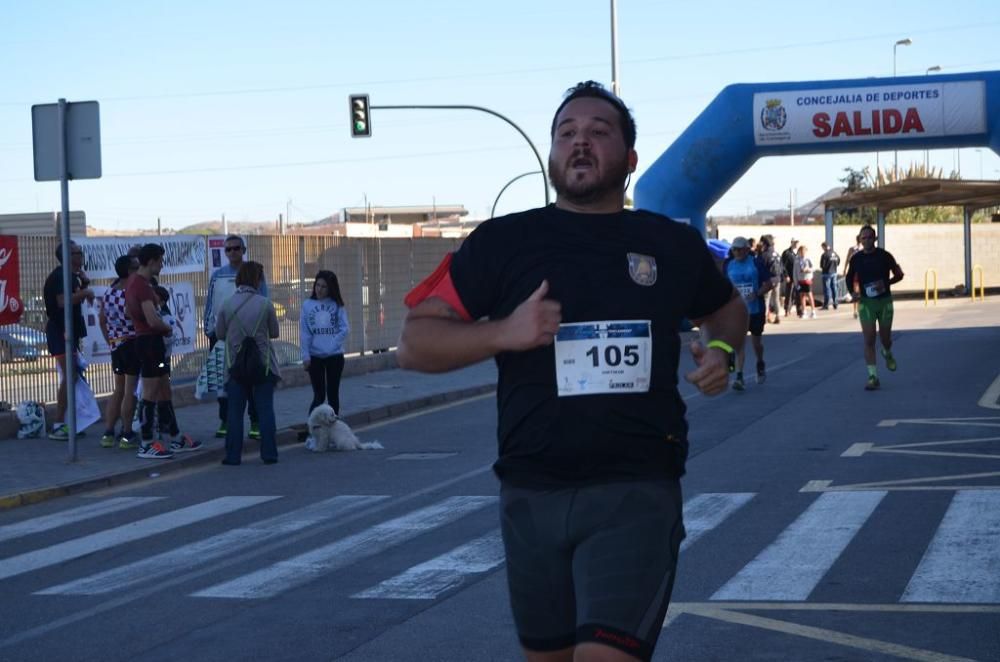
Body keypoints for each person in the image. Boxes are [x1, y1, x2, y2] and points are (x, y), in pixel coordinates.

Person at [397, 81, 747, 662]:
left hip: (634, 491)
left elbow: (727, 308)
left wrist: (724, 354)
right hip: (530, 496)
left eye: (598, 132)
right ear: (552, 152)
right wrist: (504, 332)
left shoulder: (669, 243)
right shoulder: (502, 242)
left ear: (631, 160)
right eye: (567, 134)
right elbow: (414, 343)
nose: (580, 143)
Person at [215, 261, 280, 465]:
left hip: (236, 366)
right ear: (257, 280)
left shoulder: (226, 305)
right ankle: (269, 454)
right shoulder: (265, 304)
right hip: (263, 364)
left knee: (234, 412)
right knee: (265, 410)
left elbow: (220, 334)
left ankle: (233, 456)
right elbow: (275, 333)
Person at [204, 235, 268, 440]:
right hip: (222, 336)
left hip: (248, 336)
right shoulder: (218, 276)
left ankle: (255, 422)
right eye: (228, 249)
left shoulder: (255, 273)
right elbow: (210, 304)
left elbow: (263, 301)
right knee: (223, 381)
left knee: (252, 379)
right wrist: (210, 331)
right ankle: (225, 420)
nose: (232, 252)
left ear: (244, 249)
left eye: (236, 248)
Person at [124, 243, 175, 459]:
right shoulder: (142, 286)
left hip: (147, 340)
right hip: (149, 341)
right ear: (152, 261)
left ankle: (173, 434)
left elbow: (128, 312)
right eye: (161, 261)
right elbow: (153, 321)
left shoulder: (135, 282)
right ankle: (146, 442)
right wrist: (168, 327)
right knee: (150, 392)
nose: (162, 265)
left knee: (164, 388)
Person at [43, 241, 94, 440]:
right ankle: (58, 424)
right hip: (59, 331)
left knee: (73, 376)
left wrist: (85, 284)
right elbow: (62, 301)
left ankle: (71, 421)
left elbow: (74, 297)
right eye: (77, 252)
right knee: (70, 375)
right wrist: (85, 292)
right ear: (68, 256)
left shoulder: (72, 277)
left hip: (69, 331)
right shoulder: (59, 276)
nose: (81, 255)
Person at [844, 225, 904, 391]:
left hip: (884, 302)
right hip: (866, 303)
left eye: (870, 237)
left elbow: (899, 274)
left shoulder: (884, 256)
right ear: (860, 240)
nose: (867, 240)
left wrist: (886, 284)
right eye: (864, 238)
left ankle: (887, 351)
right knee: (869, 339)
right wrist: (853, 293)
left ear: (875, 238)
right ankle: (873, 376)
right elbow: (849, 278)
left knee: (885, 339)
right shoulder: (856, 259)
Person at [153, 284, 202, 453]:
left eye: (155, 296)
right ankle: (165, 434)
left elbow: (168, 339)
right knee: (154, 397)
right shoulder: (153, 315)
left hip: (161, 361)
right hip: (153, 361)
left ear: (161, 300)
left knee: (162, 396)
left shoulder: (165, 317)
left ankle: (170, 433)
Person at [98, 254, 140, 448]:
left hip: (117, 345)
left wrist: (111, 341)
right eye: (135, 266)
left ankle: (108, 432)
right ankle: (127, 433)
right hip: (132, 344)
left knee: (118, 390)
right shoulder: (129, 293)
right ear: (129, 271)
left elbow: (102, 319)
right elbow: (133, 316)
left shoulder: (108, 292)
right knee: (129, 391)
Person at [724, 237, 773, 390]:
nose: (737, 252)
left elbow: (769, 283)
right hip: (736, 311)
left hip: (755, 309)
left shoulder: (756, 263)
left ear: (747, 249)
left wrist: (757, 293)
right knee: (739, 344)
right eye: (734, 249)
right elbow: (723, 286)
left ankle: (760, 362)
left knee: (756, 343)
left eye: (739, 249)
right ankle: (739, 377)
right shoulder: (728, 265)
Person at [300, 270, 350, 414]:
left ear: (331, 289)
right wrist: (305, 356)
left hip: (334, 356)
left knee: (333, 395)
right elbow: (305, 332)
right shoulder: (307, 305)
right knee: (319, 396)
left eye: (324, 287)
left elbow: (344, 329)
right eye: (318, 285)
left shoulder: (337, 305)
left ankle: (333, 428)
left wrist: (331, 345)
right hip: (315, 357)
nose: (319, 289)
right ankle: (313, 429)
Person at [757, 235, 782, 324]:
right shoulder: (777, 254)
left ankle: (764, 318)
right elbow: (781, 267)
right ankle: (778, 316)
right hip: (777, 279)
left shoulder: (764, 255)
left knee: (766, 299)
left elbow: (760, 268)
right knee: (776, 299)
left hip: (768, 280)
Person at [794, 245, 817, 319]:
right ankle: (804, 311)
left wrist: (808, 270)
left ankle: (813, 311)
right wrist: (796, 281)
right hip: (800, 280)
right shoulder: (797, 260)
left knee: (809, 295)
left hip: (807, 279)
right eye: (801, 251)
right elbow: (794, 271)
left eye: (804, 251)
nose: (802, 253)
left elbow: (813, 268)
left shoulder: (808, 259)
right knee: (802, 296)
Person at [844, 234, 864, 319]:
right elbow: (848, 259)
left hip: (863, 272)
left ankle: (861, 310)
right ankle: (855, 310)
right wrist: (845, 269)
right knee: (856, 292)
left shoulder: (865, 249)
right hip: (855, 272)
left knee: (862, 292)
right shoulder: (852, 249)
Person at [780, 238, 801, 318]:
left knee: (799, 294)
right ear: (791, 242)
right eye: (795, 242)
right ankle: (787, 310)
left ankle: (799, 310)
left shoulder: (799, 252)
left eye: (797, 243)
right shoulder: (786, 253)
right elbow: (783, 266)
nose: (796, 244)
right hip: (790, 277)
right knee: (789, 294)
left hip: (798, 278)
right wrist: (786, 275)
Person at [819, 242, 841, 310]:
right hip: (834, 272)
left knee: (827, 289)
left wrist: (825, 268)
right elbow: (838, 261)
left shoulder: (825, 254)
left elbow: (822, 265)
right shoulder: (835, 253)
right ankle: (835, 303)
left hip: (826, 273)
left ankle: (826, 304)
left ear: (824, 246)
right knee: (834, 288)